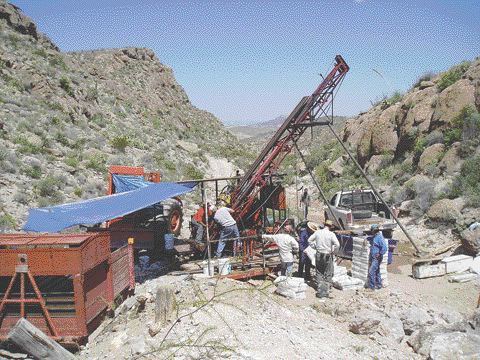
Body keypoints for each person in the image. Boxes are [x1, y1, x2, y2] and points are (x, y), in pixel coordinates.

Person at [308, 219, 340, 298]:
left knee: (319, 271)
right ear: (330, 227)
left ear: (324, 225)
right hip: (327, 255)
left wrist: (315, 247)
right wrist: (334, 251)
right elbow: (337, 245)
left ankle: (319, 287)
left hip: (319, 254)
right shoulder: (331, 234)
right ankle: (327, 288)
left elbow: (309, 240)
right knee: (328, 271)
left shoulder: (318, 232)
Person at [368, 224, 388, 290]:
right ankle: (379, 285)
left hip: (377, 258)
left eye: (372, 231)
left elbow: (385, 248)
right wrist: (366, 239)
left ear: (374, 231)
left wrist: (380, 253)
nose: (372, 232)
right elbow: (372, 240)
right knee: (377, 271)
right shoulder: (375, 236)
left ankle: (372, 287)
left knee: (371, 272)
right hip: (374, 257)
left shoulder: (379, 237)